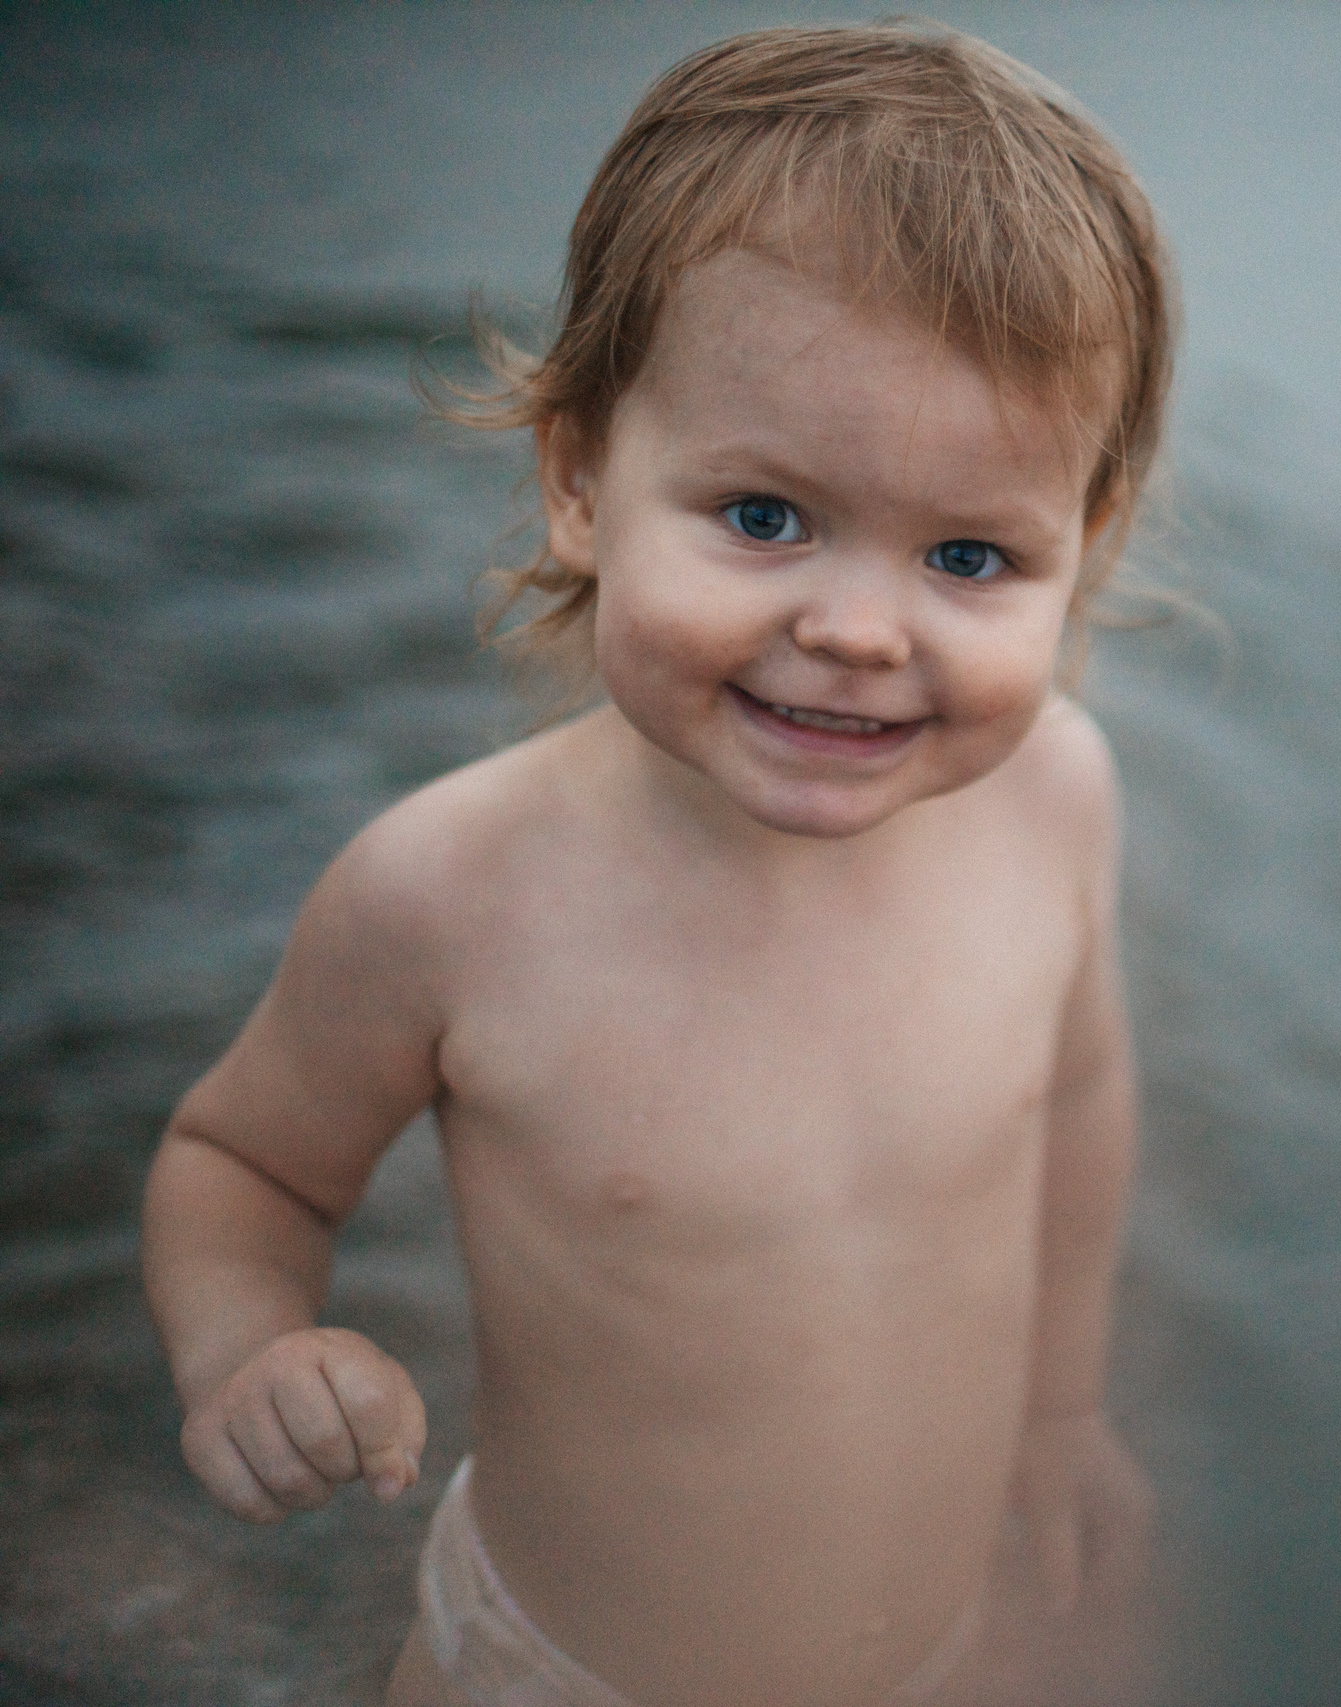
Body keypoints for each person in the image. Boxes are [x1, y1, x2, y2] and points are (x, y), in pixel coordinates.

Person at [138, 22, 1175, 1706]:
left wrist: (1063, 1406)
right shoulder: (451, 893)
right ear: (579, 480)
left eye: (972, 554)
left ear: (1084, 551)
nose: (852, 631)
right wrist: (249, 1349)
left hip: (931, 1656)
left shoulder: (1058, 796)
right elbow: (241, 1163)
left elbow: (1083, 1100)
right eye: (765, 517)